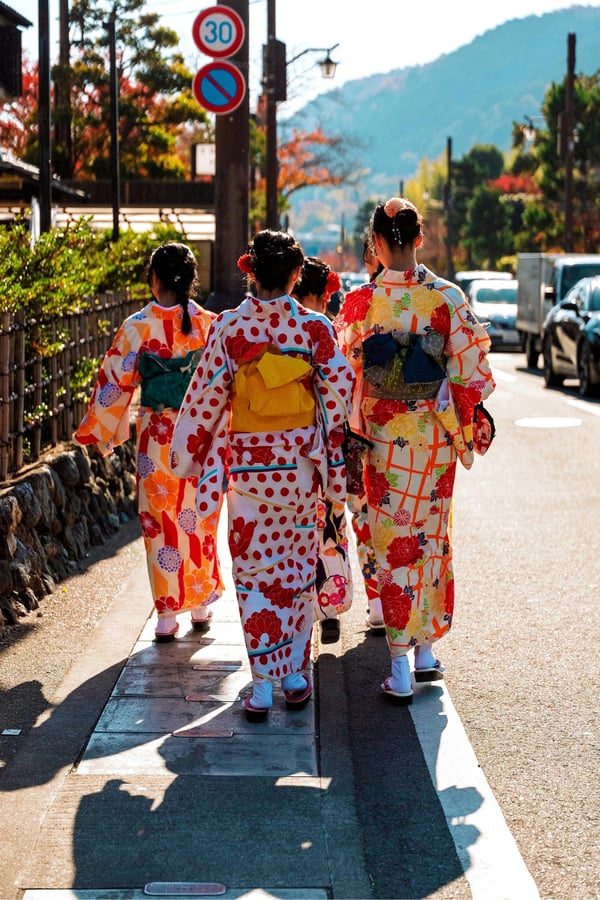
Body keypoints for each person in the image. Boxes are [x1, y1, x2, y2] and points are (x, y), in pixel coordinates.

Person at [170, 230, 355, 721]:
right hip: (298, 470)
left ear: (249, 271)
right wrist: (330, 453)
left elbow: (206, 395)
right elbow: (339, 394)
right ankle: (294, 673)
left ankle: (260, 686)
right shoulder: (315, 330)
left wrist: (187, 456)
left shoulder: (231, 329)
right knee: (296, 569)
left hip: (250, 472)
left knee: (252, 574)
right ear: (298, 276)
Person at [336, 198, 495, 704]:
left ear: (377, 244)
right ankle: (425, 649)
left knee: (392, 540)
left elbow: (343, 375)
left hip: (384, 438)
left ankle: (402, 663)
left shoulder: (360, 304)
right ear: (419, 239)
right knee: (430, 536)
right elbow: (472, 372)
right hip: (433, 437)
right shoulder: (446, 298)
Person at [74, 242, 224, 642]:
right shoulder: (210, 324)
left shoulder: (138, 325)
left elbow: (114, 383)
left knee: (159, 521)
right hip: (201, 437)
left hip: (157, 436)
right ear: (192, 280)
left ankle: (166, 615)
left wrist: (100, 431)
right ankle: (201, 602)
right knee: (199, 515)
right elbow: (223, 385)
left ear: (155, 280)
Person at [292, 256, 353, 645]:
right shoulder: (324, 330)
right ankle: (327, 605)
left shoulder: (282, 327)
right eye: (323, 296)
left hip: (290, 443)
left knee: (298, 530)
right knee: (329, 526)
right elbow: (342, 390)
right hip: (324, 441)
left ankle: (307, 610)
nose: (326, 304)